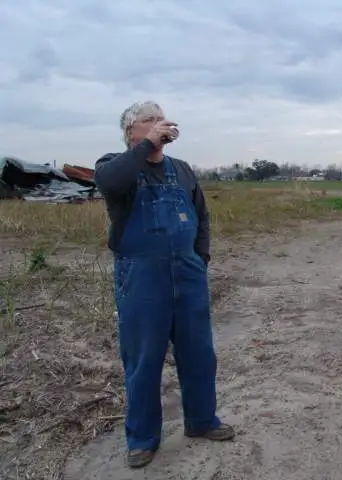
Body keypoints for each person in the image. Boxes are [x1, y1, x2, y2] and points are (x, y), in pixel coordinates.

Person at [95, 101, 234, 469]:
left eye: (161, 118)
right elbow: (108, 183)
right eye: (149, 120)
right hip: (142, 280)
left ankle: (202, 421)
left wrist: (200, 259)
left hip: (188, 276)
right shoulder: (115, 166)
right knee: (143, 361)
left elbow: (201, 214)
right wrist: (146, 147)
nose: (160, 124)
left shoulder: (183, 171)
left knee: (200, 354)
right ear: (131, 132)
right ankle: (142, 439)